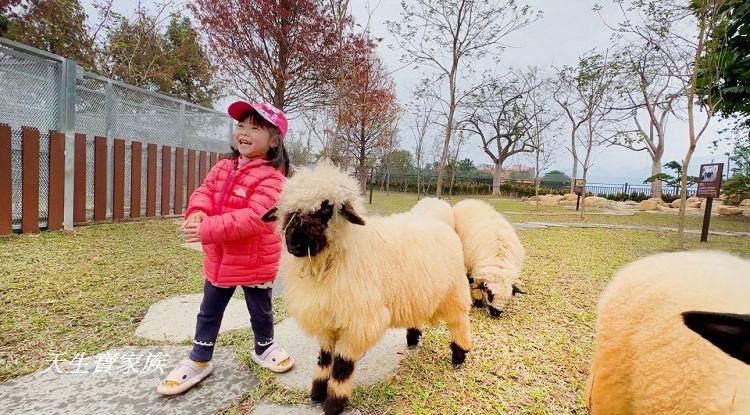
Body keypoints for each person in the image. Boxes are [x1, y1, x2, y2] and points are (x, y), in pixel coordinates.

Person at [157, 101, 294, 395]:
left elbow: (255, 218)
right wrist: (197, 211)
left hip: (256, 259)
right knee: (209, 311)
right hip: (221, 258)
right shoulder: (223, 167)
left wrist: (207, 230)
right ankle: (200, 358)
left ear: (274, 140)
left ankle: (264, 347)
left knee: (261, 310)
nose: (243, 132)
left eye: (254, 128)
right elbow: (204, 192)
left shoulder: (275, 178)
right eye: (241, 126)